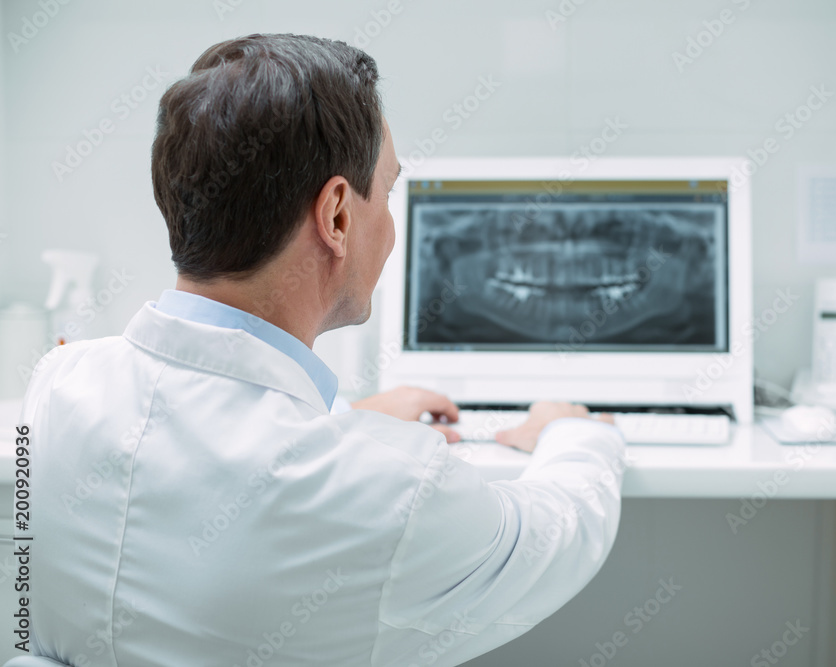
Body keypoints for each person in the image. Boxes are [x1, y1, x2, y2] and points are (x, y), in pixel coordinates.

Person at [18, 34, 627, 666]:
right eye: (386, 195)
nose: (389, 225)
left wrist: (346, 420)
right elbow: (552, 539)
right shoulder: (393, 488)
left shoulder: (58, 385)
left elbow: (200, 446)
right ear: (336, 215)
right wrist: (574, 435)